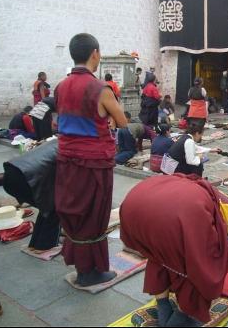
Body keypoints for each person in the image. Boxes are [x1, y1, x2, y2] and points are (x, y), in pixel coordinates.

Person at [120, 174, 228, 326]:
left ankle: (163, 307)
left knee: (160, 253)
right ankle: (184, 317)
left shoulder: (208, 193)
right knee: (203, 266)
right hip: (170, 215)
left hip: (135, 203)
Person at [55, 33, 127, 287]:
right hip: (94, 160)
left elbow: (61, 120)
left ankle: (80, 264)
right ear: (95, 53)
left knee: (75, 209)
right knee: (94, 213)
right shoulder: (100, 89)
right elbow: (122, 121)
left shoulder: (60, 86)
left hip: (66, 158)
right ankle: (90, 272)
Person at [3, 140, 61, 252]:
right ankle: (46, 247)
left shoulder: (59, 141)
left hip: (11, 172)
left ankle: (37, 244)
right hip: (24, 177)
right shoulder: (72, 148)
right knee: (55, 207)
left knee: (48, 206)